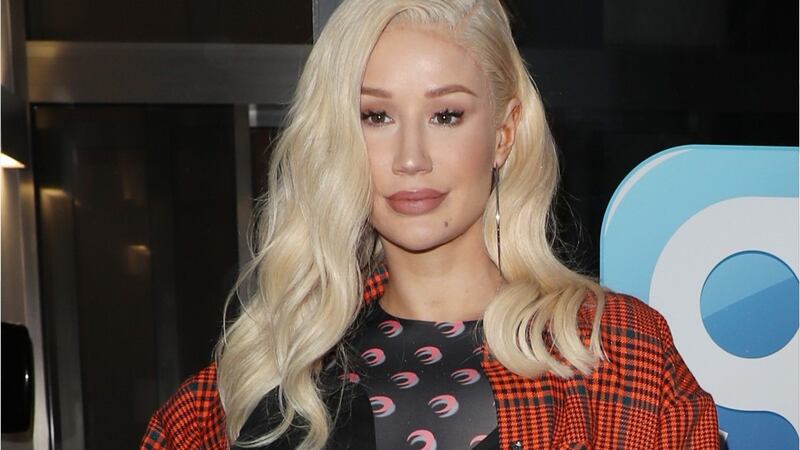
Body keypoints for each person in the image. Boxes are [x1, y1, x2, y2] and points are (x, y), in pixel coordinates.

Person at [141, 1, 719, 449]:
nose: (410, 158)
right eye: (376, 116)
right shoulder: (268, 370)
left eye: (446, 115)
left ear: (503, 134)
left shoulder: (616, 351)